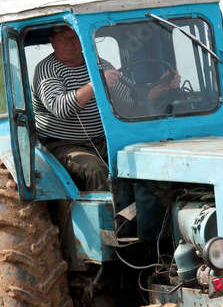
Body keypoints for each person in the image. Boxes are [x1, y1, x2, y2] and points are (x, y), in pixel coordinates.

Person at [32, 25, 179, 191]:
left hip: (102, 140)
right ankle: (112, 216)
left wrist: (162, 86)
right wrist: (95, 85)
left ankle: (147, 212)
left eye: (75, 37)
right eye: (62, 38)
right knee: (95, 170)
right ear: (52, 42)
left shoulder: (100, 65)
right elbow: (60, 108)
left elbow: (133, 98)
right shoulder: (47, 69)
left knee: (139, 160)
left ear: (83, 40)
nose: (70, 43)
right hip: (63, 145)